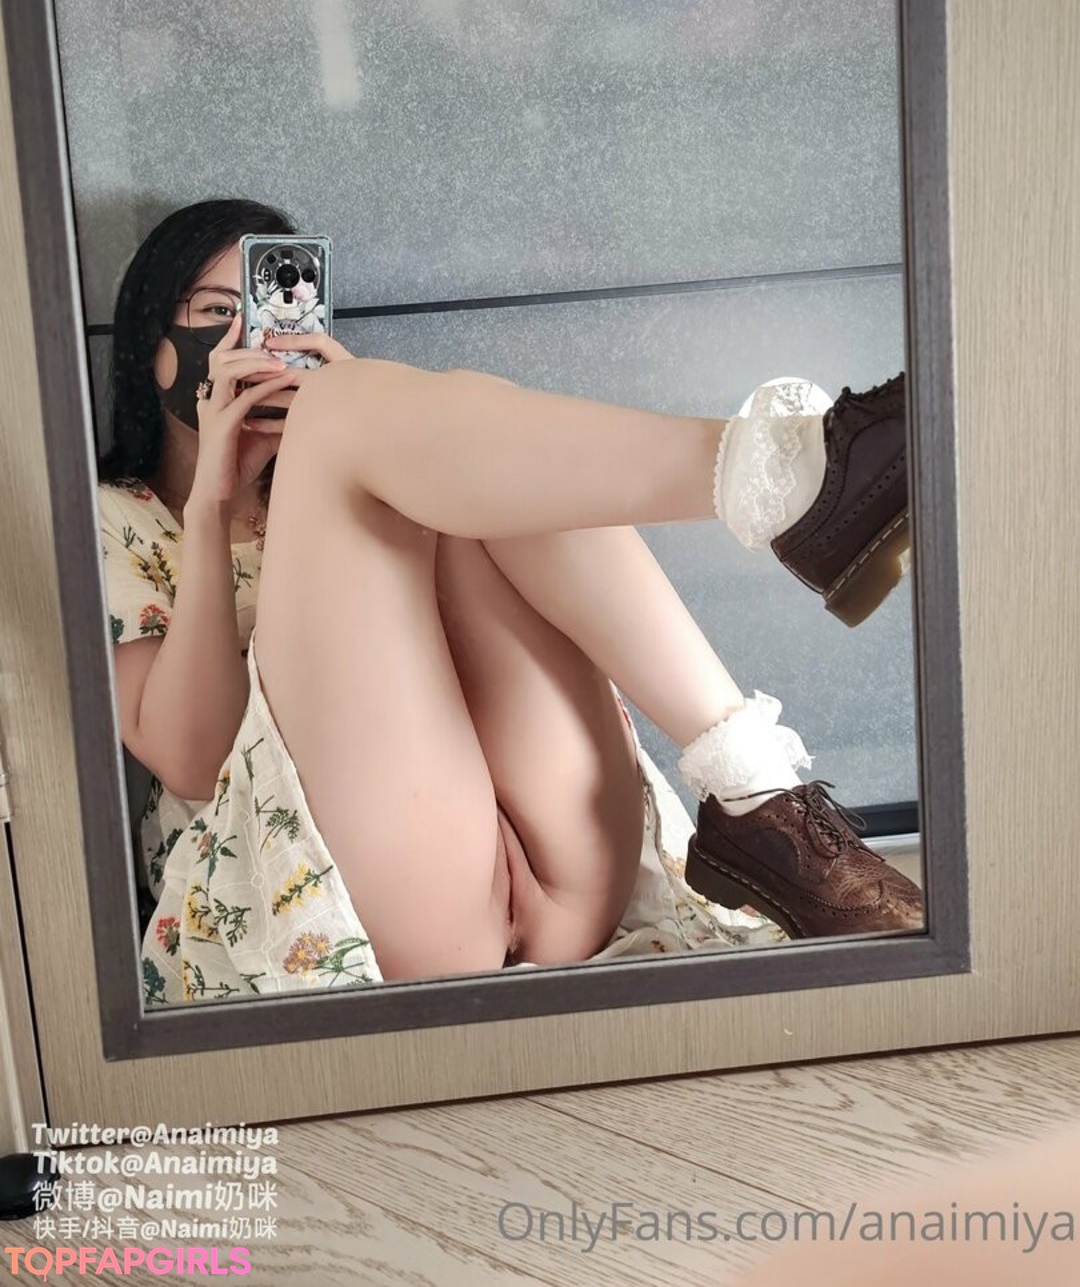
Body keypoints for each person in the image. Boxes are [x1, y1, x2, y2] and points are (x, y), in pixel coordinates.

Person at [96, 198, 920, 1004]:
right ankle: (795, 480)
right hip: (362, 905)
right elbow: (192, 757)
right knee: (369, 419)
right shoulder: (114, 517)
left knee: (476, 447)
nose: (250, 342)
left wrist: (379, 422)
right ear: (148, 339)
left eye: (274, 316)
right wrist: (210, 509)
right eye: (218, 311)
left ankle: (758, 793)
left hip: (564, 872)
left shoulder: (360, 464)